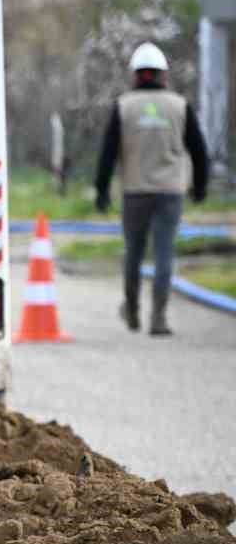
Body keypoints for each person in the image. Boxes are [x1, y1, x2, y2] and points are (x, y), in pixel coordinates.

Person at [94, 42, 210, 336]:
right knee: (163, 255)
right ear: (163, 75)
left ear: (135, 75)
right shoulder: (180, 106)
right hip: (170, 193)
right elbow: (199, 151)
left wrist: (102, 189)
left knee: (134, 253)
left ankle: (132, 310)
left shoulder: (124, 107)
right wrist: (200, 186)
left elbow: (108, 153)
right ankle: (158, 318)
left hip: (135, 193)